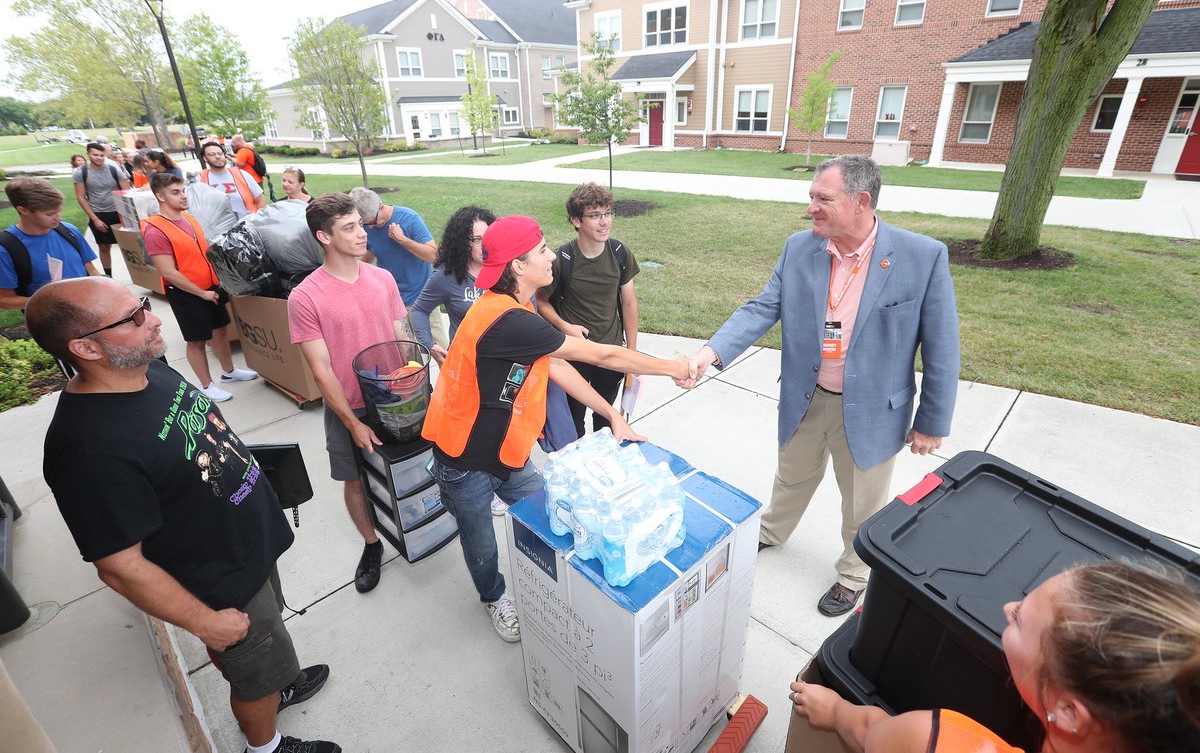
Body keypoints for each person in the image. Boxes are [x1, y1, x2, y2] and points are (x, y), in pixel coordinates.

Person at [26, 277, 341, 753]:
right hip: (217, 580)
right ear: (85, 347)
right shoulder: (87, 449)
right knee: (254, 673)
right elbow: (119, 565)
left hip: (246, 547)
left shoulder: (149, 368)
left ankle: (276, 685)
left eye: (143, 306)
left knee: (257, 655)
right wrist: (204, 622)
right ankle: (266, 745)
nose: (153, 319)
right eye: (133, 318)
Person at [685, 155, 959, 617]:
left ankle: (856, 574)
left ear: (861, 201)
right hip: (806, 396)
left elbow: (942, 346)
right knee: (791, 475)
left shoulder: (921, 256)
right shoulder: (800, 248)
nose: (811, 206)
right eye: (811, 195)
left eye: (822, 198)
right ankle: (772, 530)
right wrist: (708, 354)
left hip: (873, 409)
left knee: (863, 504)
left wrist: (931, 422)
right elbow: (760, 308)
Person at [421, 215, 694, 643]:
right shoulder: (507, 319)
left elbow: (558, 364)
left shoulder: (515, 308)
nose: (552, 257)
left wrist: (613, 413)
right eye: (543, 250)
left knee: (553, 511)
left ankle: (550, 586)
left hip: (506, 452)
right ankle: (494, 597)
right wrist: (672, 367)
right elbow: (602, 355)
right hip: (463, 458)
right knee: (481, 543)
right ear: (517, 266)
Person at [790, 560, 1200, 753]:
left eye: (1021, 618)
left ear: (1070, 714)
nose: (1008, 607)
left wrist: (836, 710)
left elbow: (869, 731)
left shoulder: (940, 741)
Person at [288, 193, 408, 595]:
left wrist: (415, 376)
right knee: (354, 479)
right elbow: (321, 371)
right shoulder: (305, 296)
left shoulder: (383, 278)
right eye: (350, 227)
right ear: (324, 236)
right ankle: (372, 545)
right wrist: (352, 422)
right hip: (349, 406)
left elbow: (401, 336)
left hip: (394, 396)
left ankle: (412, 522)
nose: (363, 232)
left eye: (361, 223)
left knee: (407, 467)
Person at [141, 172, 259, 402]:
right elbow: (168, 272)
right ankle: (206, 386)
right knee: (196, 341)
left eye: (183, 190)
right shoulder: (156, 229)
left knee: (221, 330)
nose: (183, 196)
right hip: (187, 293)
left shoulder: (188, 219)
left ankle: (229, 372)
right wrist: (200, 293)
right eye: (175, 192)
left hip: (210, 287)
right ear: (160, 197)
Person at [537, 182, 640, 437]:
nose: (604, 222)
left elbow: (629, 303)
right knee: (574, 423)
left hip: (611, 350)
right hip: (576, 356)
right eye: (595, 215)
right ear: (576, 220)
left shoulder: (619, 253)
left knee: (606, 419)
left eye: (607, 213)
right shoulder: (562, 259)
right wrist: (565, 326)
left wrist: (632, 353)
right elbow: (541, 302)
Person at [409, 205, 494, 366]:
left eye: (488, 236)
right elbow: (419, 310)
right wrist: (430, 345)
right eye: (477, 239)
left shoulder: (505, 270)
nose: (485, 245)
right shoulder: (446, 276)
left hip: (502, 363)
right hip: (464, 363)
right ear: (462, 242)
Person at [1, 177, 99, 310]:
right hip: (52, 322)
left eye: (59, 211)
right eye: (50, 214)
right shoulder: (6, 248)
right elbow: (5, 299)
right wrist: (50, 301)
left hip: (91, 308)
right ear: (23, 210)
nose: (59, 218)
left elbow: (90, 269)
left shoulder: (69, 230)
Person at [348, 187, 437, 309]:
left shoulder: (409, 218)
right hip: (391, 299)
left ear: (381, 207)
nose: (370, 228)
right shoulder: (367, 226)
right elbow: (371, 249)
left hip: (421, 299)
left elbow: (433, 256)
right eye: (365, 224)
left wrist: (402, 239)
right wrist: (355, 272)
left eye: (373, 222)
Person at [72, 141, 131, 277]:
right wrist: (95, 219)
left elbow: (127, 192)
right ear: (88, 154)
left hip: (119, 212)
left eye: (101, 155)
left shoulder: (113, 168)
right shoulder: (81, 172)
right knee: (104, 246)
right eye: (95, 155)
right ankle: (108, 276)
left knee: (130, 245)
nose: (99, 158)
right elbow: (81, 197)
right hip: (99, 213)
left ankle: (141, 274)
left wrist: (128, 216)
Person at [199, 142, 265, 218]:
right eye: (212, 154)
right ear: (204, 158)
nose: (217, 157)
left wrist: (259, 218)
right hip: (218, 227)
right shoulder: (200, 179)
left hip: (247, 224)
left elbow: (260, 199)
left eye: (220, 154)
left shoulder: (241, 174)